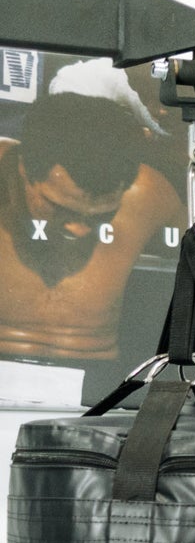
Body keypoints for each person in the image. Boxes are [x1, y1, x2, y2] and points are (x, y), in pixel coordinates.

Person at [0, 91, 179, 361]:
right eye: (61, 209)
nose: (79, 230)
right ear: (25, 168)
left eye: (100, 216)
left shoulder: (147, 196)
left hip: (98, 389)